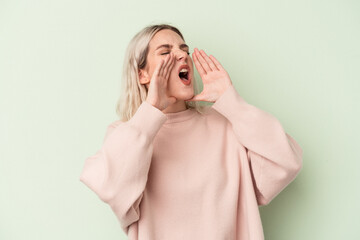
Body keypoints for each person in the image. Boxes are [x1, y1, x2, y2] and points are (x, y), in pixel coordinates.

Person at [79, 23, 303, 240]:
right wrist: (150, 112)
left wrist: (231, 102)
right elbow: (112, 189)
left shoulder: (226, 124)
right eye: (165, 51)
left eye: (184, 49)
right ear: (142, 75)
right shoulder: (128, 134)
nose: (181, 55)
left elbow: (286, 162)